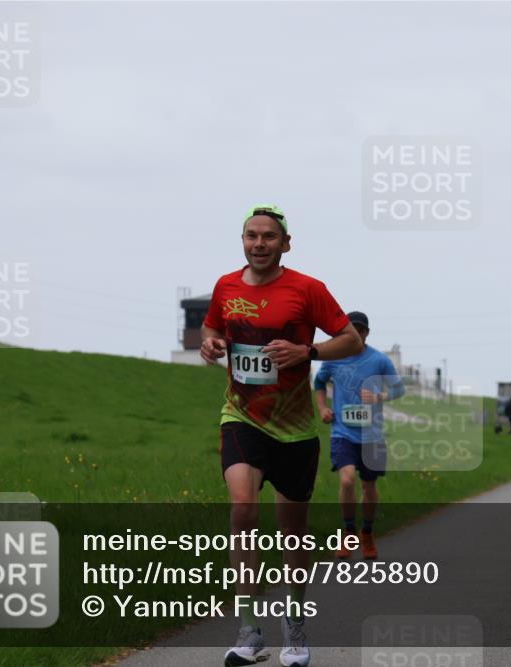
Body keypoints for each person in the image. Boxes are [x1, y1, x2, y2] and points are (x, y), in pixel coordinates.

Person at [200, 204, 363, 667]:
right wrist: (210, 343)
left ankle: (294, 623)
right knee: (243, 510)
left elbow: (350, 339)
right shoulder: (226, 286)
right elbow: (212, 326)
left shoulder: (308, 289)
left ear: (285, 244)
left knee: (293, 532)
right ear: (243, 241)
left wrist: (307, 351)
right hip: (241, 416)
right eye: (251, 235)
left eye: (269, 236)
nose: (259, 244)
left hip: (294, 431)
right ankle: (249, 630)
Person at [314, 311, 404, 561]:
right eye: (351, 329)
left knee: (369, 485)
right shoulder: (333, 358)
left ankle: (367, 533)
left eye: (360, 330)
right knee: (346, 480)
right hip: (342, 432)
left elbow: (398, 389)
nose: (356, 334)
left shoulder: (379, 360)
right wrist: (322, 408)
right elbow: (319, 383)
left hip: (372, 434)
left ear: (366, 333)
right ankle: (349, 532)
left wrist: (379, 397)